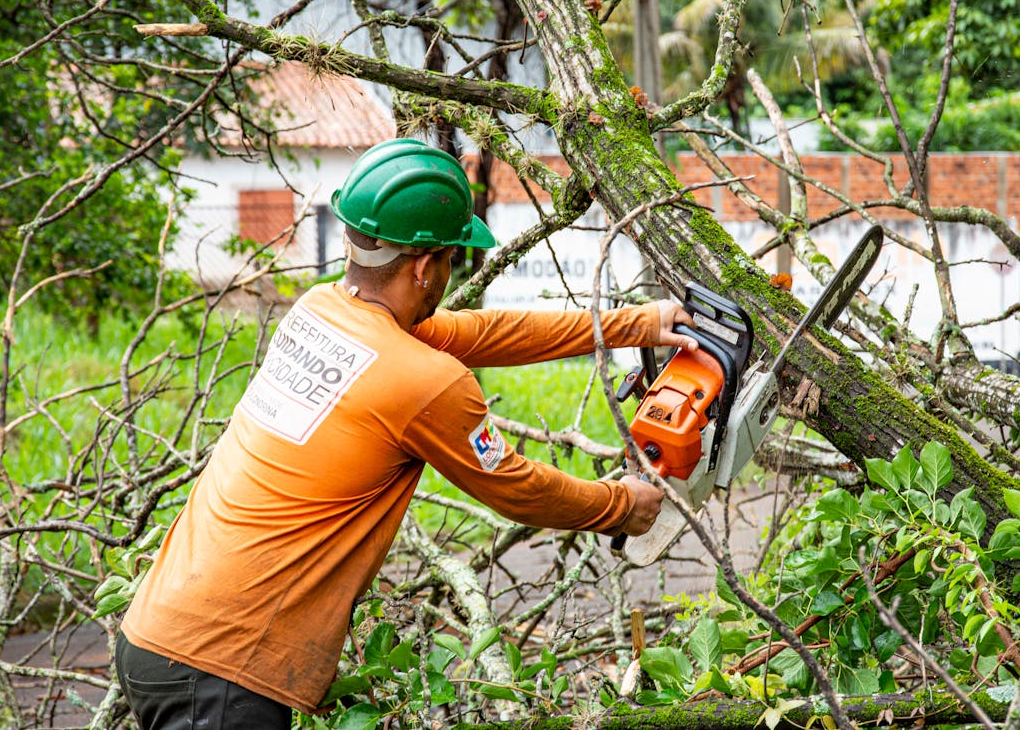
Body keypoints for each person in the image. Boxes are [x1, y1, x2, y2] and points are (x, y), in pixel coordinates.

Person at [114, 138, 697, 729]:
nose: (449, 273)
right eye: (450, 259)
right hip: (219, 673)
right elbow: (514, 487)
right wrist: (622, 504)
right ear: (423, 266)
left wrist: (639, 324)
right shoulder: (419, 381)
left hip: (157, 634)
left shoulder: (320, 310)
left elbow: (483, 332)